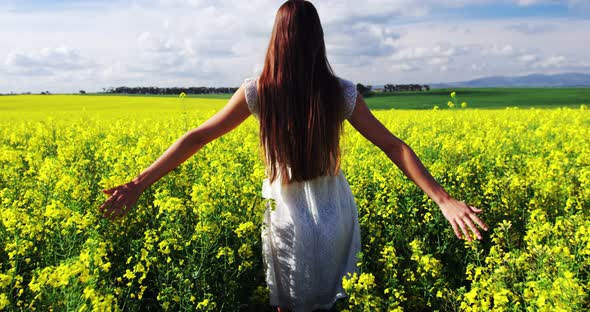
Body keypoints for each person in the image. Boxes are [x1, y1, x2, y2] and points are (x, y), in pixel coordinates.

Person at [99, 0, 489, 311]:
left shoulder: (259, 91)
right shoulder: (340, 92)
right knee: (332, 300)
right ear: (318, 40)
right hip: (334, 210)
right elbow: (393, 145)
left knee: (289, 303)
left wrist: (138, 184)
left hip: (287, 213)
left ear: (277, 39)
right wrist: (444, 200)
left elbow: (197, 137)